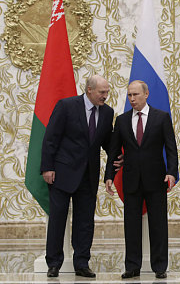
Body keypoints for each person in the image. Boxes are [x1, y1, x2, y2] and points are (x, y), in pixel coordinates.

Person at [41, 75, 114, 278]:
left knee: (85, 222)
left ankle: (82, 263)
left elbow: (108, 141)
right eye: (102, 92)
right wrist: (47, 167)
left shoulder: (107, 112)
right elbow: (51, 138)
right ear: (89, 90)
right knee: (58, 219)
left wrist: (118, 157)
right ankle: (54, 263)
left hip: (88, 175)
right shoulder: (66, 106)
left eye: (107, 92)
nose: (105, 96)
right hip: (62, 174)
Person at [105, 80, 178, 279]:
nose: (132, 99)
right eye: (129, 95)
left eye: (136, 94)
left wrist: (172, 172)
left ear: (146, 95)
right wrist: (109, 176)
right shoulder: (121, 120)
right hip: (131, 180)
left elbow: (171, 149)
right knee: (131, 225)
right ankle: (132, 266)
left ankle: (160, 266)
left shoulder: (161, 118)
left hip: (156, 179)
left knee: (158, 224)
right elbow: (113, 152)